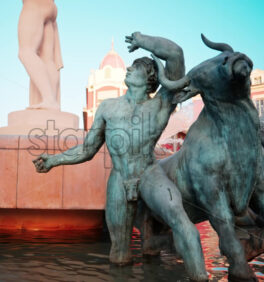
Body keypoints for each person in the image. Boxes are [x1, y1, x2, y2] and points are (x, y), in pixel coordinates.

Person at [33, 32, 208, 280]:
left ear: (148, 78)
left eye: (135, 67)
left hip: (149, 174)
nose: (128, 68)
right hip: (119, 179)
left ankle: (200, 277)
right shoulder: (107, 107)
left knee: (182, 222)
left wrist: (142, 41)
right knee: (119, 253)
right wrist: (53, 160)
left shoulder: (160, 103)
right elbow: (87, 149)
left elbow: (175, 53)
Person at [18, 0, 63, 110]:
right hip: (50, 7)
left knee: (25, 51)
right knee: (47, 59)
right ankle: (51, 101)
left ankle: (49, 100)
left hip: (34, 4)